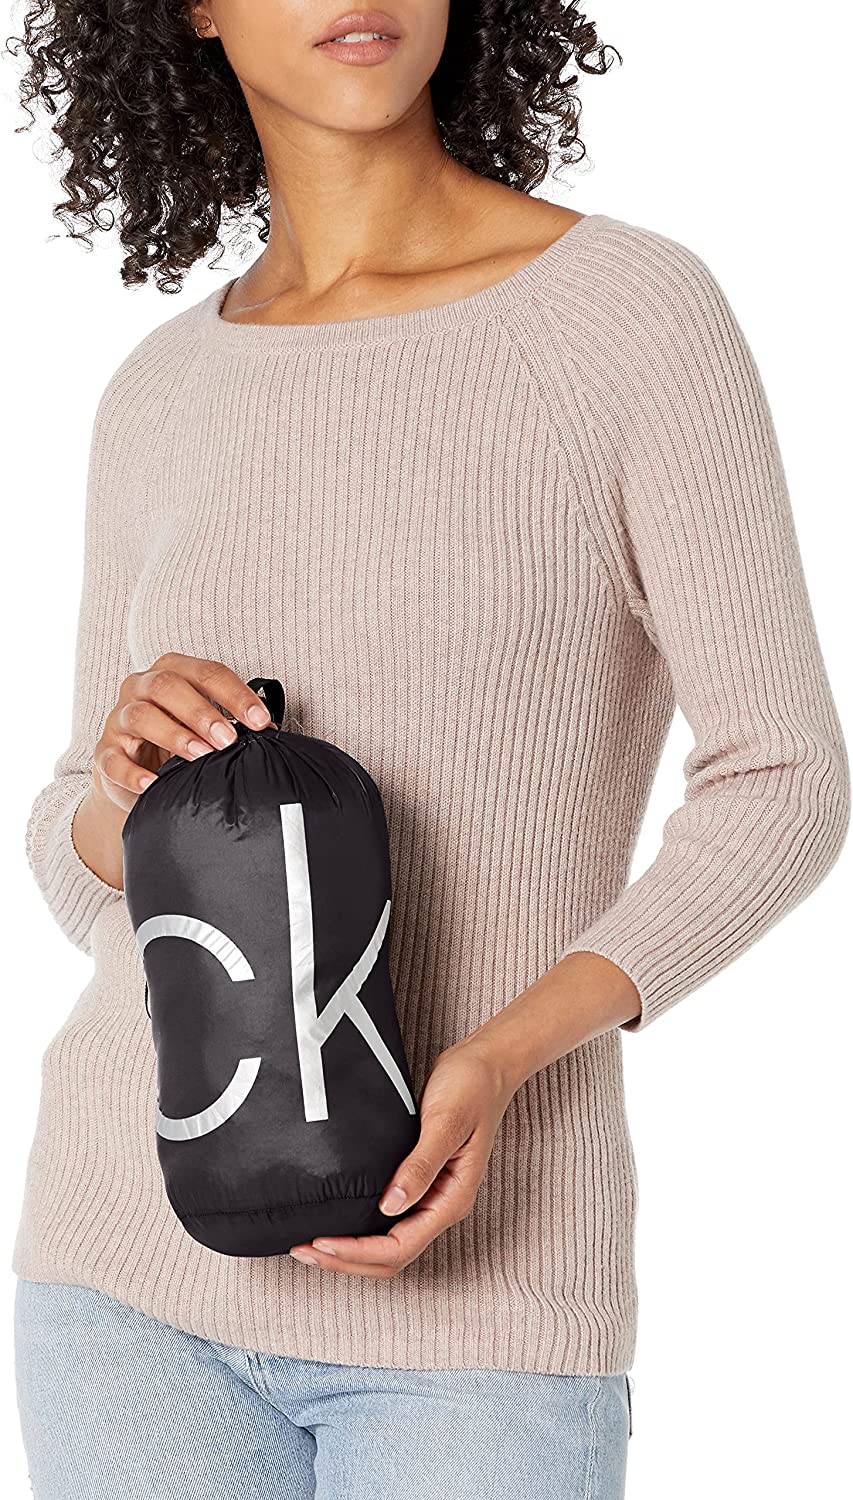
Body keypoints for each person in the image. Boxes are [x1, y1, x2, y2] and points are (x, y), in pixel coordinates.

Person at [9, 2, 849, 1497]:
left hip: (486, 1306)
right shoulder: (160, 388)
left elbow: (784, 778)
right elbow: (77, 842)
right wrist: (126, 791)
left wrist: (500, 1060)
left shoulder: (626, 314)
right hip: (124, 1284)